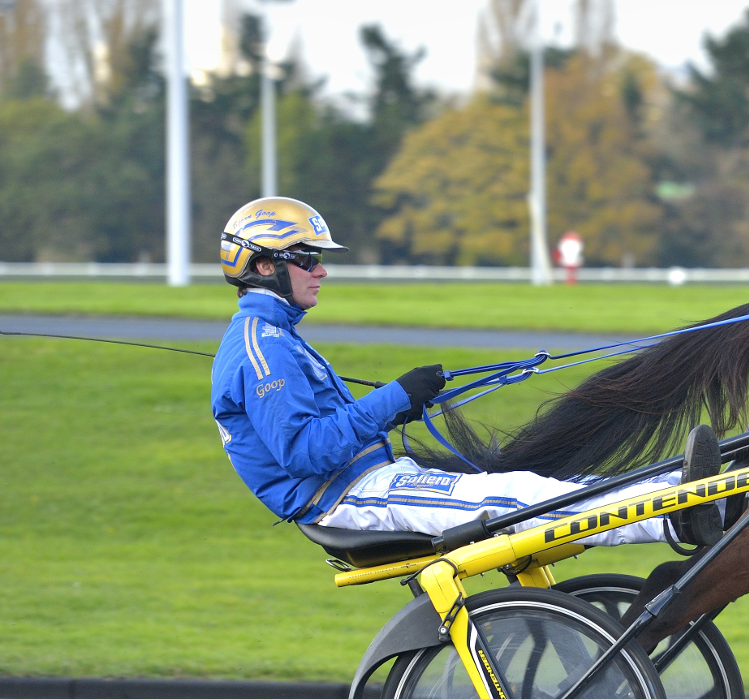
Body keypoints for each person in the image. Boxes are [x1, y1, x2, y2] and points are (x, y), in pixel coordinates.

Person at [211, 197, 692, 546]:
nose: (321, 271)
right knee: (518, 497)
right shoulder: (262, 348)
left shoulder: (276, 337)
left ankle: (676, 491)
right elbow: (303, 451)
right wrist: (395, 396)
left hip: (367, 480)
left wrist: (398, 407)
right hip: (344, 498)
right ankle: (673, 519)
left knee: (545, 486)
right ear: (262, 264)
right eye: (308, 259)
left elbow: (323, 430)